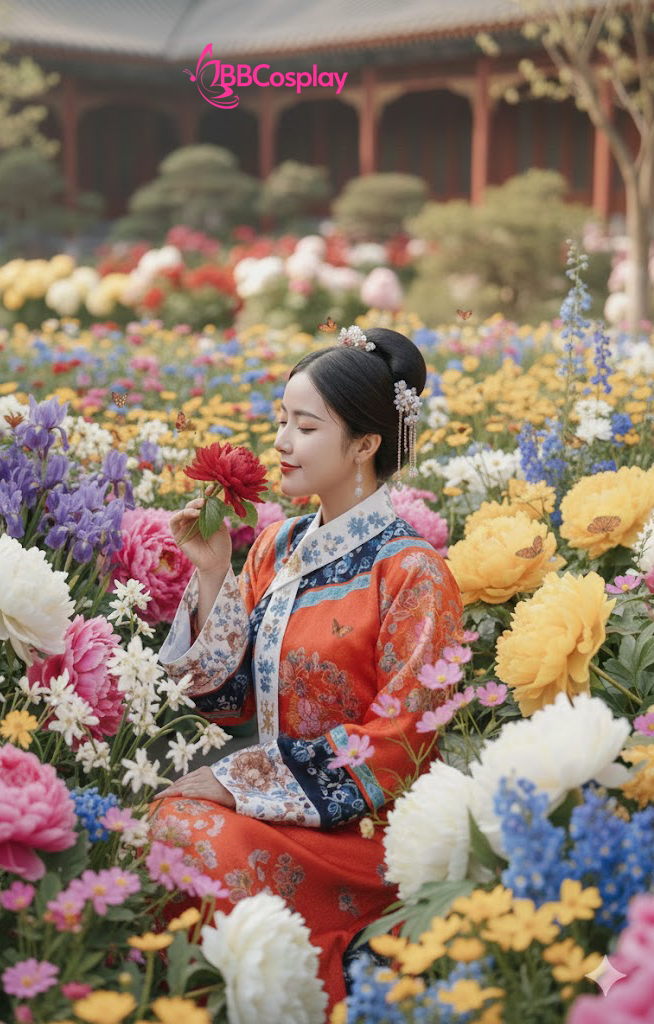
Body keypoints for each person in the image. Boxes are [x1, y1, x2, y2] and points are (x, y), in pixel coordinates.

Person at [150, 325, 464, 1007]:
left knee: (185, 829)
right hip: (278, 813)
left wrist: (240, 784)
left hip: (364, 831)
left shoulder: (411, 572)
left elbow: (401, 744)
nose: (281, 443)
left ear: (364, 444)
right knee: (157, 828)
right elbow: (229, 703)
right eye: (280, 423)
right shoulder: (277, 546)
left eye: (304, 426)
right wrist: (212, 574)